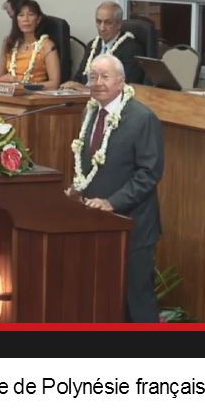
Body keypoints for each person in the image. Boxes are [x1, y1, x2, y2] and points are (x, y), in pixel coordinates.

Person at [69, 54, 163, 322]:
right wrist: (77, 188)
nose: (97, 83)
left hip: (132, 225)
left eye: (105, 77)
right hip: (96, 223)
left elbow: (149, 173)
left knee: (136, 300)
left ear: (121, 81)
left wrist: (113, 202)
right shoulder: (89, 112)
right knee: (104, 298)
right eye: (92, 76)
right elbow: (89, 164)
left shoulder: (142, 118)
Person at [60, 1, 144, 88]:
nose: (102, 28)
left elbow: (124, 86)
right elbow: (79, 77)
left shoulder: (131, 49)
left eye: (108, 23)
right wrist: (70, 87)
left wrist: (84, 89)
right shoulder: (92, 45)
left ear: (119, 24)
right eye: (99, 22)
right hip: (83, 98)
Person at [0, 0, 61, 89]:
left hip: (34, 97)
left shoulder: (47, 45)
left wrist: (22, 85)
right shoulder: (9, 43)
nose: (26, 19)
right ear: (16, 20)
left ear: (38, 19)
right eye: (21, 15)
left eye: (30, 14)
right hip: (10, 95)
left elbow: (54, 84)